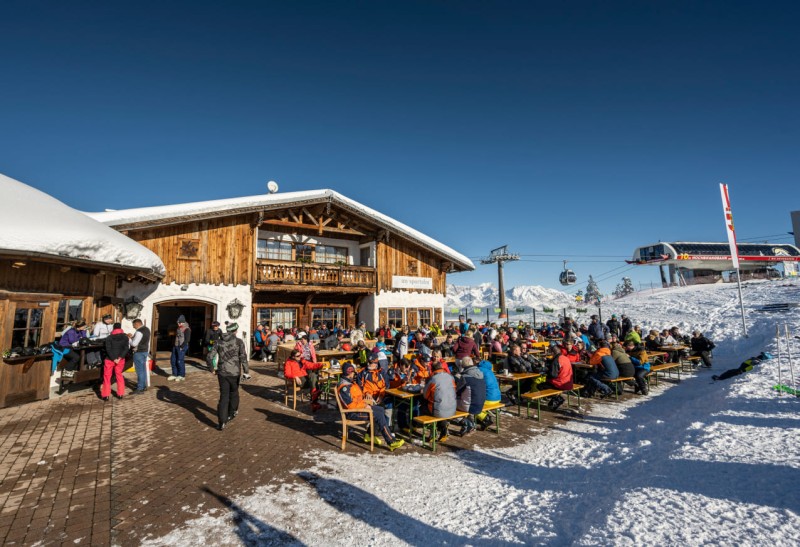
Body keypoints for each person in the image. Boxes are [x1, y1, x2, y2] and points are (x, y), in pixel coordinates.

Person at [337, 362, 404, 450]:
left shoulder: (350, 383)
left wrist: (366, 403)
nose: (354, 374)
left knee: (380, 409)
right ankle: (391, 441)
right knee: (378, 415)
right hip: (353, 413)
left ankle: (369, 435)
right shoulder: (344, 387)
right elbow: (350, 405)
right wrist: (364, 406)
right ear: (349, 373)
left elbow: (357, 399)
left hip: (360, 408)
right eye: (353, 372)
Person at [209, 322, 249, 430]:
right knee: (234, 392)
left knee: (224, 395)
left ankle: (222, 421)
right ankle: (232, 412)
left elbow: (209, 356)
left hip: (222, 372)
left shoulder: (219, 341)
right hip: (235, 372)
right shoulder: (239, 342)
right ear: (235, 331)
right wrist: (246, 371)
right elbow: (243, 357)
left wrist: (212, 369)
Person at [423, 361, 457, 443]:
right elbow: (454, 389)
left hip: (439, 409)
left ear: (432, 369)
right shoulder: (450, 377)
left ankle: (433, 433)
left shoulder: (433, 379)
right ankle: (444, 429)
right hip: (452, 408)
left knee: (425, 406)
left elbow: (425, 395)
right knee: (440, 404)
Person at [455, 357, 486, 436]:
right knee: (468, 397)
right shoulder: (481, 374)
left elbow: (458, 392)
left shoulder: (465, 377)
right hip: (481, 404)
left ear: (463, 366)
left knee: (448, 405)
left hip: (470, 406)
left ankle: (467, 423)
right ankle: (471, 422)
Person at [538, 344, 573, 411]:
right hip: (568, 382)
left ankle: (557, 399)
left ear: (553, 353)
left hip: (560, 384)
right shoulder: (564, 358)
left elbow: (553, 375)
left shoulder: (556, 360)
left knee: (540, 386)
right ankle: (555, 399)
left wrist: (545, 372)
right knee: (546, 384)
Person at [101, 323, 129, 401]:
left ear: (113, 328)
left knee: (107, 377)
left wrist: (113, 358)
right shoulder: (125, 337)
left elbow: (108, 349)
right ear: (120, 328)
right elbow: (126, 348)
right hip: (120, 359)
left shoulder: (109, 337)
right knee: (119, 376)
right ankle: (120, 394)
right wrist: (119, 358)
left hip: (109, 359)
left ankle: (106, 395)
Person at [475, 359, 501, 430]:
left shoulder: (479, 370)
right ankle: (481, 418)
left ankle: (485, 418)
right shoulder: (490, 371)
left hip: (489, 399)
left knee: (472, 404)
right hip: (497, 398)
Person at [129, 319, 151, 394]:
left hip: (138, 353)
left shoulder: (139, 331)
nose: (133, 327)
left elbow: (134, 344)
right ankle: (143, 386)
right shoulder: (147, 329)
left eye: (134, 325)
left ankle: (140, 388)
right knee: (143, 370)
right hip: (144, 351)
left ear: (137, 324)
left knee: (140, 371)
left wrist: (129, 339)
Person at [169, 315, 191, 382]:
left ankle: (181, 375)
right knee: (173, 360)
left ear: (183, 322)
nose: (178, 324)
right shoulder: (178, 328)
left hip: (182, 346)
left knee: (179, 360)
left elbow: (187, 339)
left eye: (179, 323)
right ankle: (174, 374)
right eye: (178, 323)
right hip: (175, 346)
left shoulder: (187, 329)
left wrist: (182, 346)